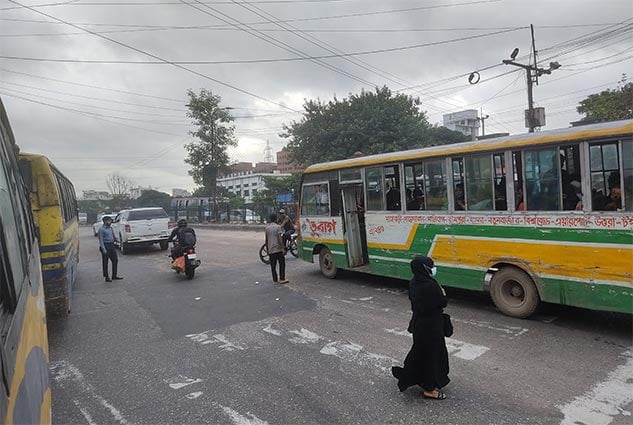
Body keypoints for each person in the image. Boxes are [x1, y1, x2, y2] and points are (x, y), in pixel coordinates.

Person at [391, 255, 450, 400]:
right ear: (425, 268)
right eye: (431, 266)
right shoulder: (430, 285)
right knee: (432, 355)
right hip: (431, 326)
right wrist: (442, 293)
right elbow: (442, 302)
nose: (433, 268)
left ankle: (415, 377)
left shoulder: (414, 282)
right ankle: (430, 389)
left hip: (419, 324)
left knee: (422, 353)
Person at [265, 213, 288, 284]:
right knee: (282, 264)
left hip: (271, 249)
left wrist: (267, 249)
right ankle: (282, 278)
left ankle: (275, 280)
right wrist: (282, 248)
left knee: (273, 265)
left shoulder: (267, 228)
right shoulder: (278, 227)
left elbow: (266, 240)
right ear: (276, 219)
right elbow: (280, 238)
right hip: (278, 249)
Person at [98, 215, 122, 282]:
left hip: (111, 245)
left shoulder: (110, 228)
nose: (110, 222)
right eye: (108, 221)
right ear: (105, 221)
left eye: (110, 221)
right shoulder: (101, 229)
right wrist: (104, 249)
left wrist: (116, 240)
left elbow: (113, 235)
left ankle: (114, 275)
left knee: (115, 260)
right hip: (106, 246)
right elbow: (101, 240)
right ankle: (106, 276)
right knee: (105, 262)